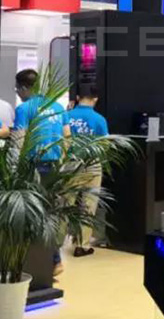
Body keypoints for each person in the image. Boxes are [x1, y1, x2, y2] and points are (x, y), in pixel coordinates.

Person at [12, 69, 70, 277]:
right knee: (48, 214)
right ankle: (53, 261)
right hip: (54, 167)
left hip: (33, 167)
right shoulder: (57, 107)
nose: (18, 93)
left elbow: (19, 141)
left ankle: (45, 262)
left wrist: (15, 169)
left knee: (33, 215)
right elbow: (67, 137)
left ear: (24, 88)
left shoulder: (25, 108)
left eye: (18, 89)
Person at [65, 84, 109, 258]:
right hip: (91, 164)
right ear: (96, 99)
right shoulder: (99, 119)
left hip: (69, 164)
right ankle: (82, 245)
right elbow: (105, 145)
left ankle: (54, 246)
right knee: (88, 205)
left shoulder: (67, 116)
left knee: (64, 205)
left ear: (77, 98)